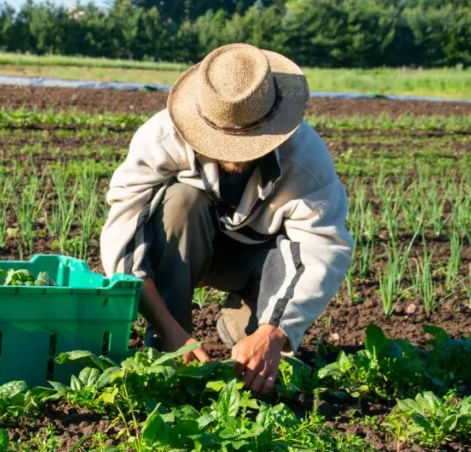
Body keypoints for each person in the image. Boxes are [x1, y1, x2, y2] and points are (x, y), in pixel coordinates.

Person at [100, 43, 353, 394]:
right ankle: (166, 345)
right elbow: (124, 238)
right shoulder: (161, 138)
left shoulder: (305, 159)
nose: (234, 152)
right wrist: (171, 331)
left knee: (258, 366)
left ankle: (243, 323)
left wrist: (273, 333)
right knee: (179, 201)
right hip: (189, 247)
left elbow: (322, 248)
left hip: (256, 264)